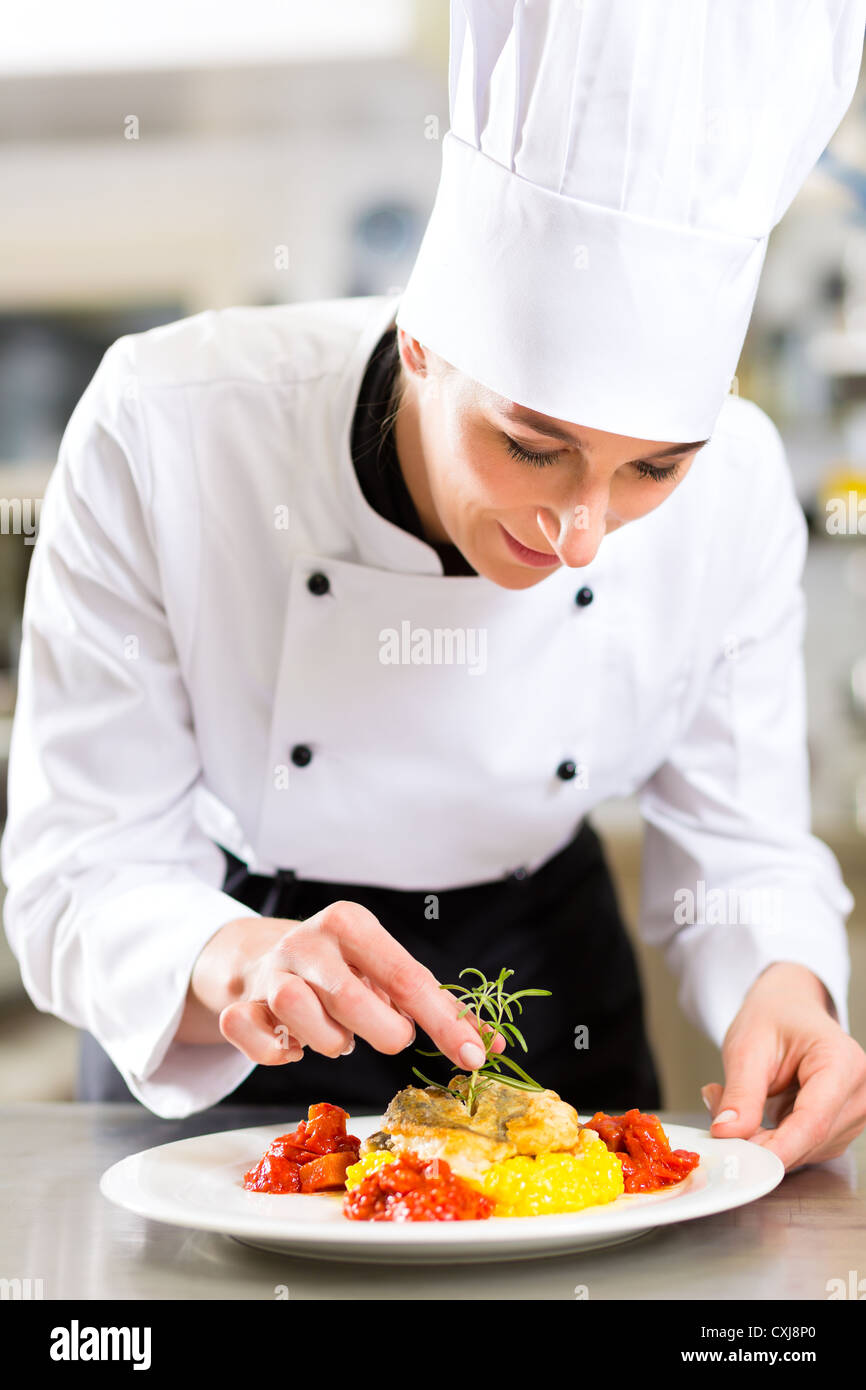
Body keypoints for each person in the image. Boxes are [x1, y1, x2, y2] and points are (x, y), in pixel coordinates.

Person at [3, 1, 866, 1174]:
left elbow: (737, 845)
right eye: (530, 445)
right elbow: (79, 870)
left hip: (544, 1001)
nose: (578, 536)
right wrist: (229, 960)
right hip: (231, 1011)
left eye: (650, 469)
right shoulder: (171, 429)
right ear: (420, 341)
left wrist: (784, 983)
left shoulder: (738, 485)